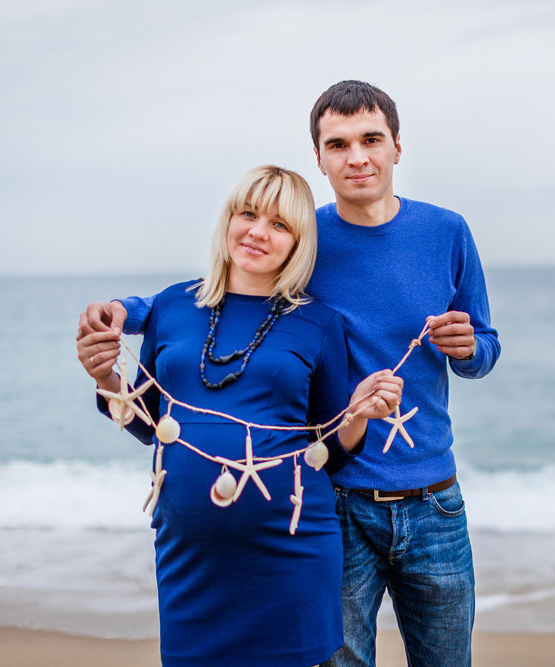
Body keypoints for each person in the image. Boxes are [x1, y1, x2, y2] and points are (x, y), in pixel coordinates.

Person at [79, 81, 500, 667]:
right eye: (339, 144)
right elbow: (212, 297)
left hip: (434, 499)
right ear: (320, 157)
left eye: (371, 139)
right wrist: (126, 310)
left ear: (397, 147)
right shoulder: (303, 230)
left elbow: (485, 345)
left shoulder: (447, 232)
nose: (358, 157)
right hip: (341, 498)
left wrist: (468, 349)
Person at [75, 165, 404, 667]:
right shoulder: (172, 306)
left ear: (298, 243)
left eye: (280, 224)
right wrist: (106, 380)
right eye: (247, 214)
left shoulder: (319, 322)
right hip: (190, 558)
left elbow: (329, 451)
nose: (257, 232)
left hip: (291, 554)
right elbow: (149, 426)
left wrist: (358, 414)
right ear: (228, 219)